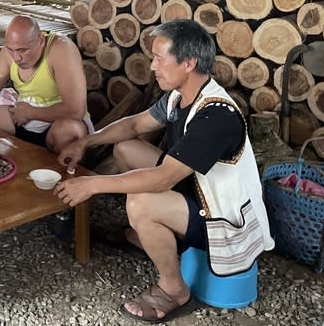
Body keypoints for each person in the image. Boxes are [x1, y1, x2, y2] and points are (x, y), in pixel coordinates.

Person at [54, 19, 274, 323]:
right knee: (126, 149)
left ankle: (173, 289)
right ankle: (145, 234)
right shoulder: (177, 96)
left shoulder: (215, 116)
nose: (153, 66)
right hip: (195, 191)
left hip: (223, 219)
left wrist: (92, 185)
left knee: (140, 202)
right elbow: (133, 125)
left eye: (160, 58)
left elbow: (163, 178)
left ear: (189, 62)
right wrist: (85, 142)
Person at [0, 15, 90, 153]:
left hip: (54, 121)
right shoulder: (12, 51)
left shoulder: (61, 49)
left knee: (69, 130)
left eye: (23, 50)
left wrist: (31, 112)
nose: (16, 58)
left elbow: (75, 111)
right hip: (21, 115)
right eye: (10, 50)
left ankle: (55, 170)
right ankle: (5, 155)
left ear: (41, 41)